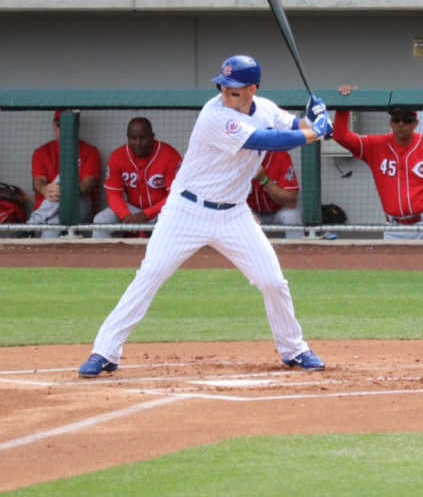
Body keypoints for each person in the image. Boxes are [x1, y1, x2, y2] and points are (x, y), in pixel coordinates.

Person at [77, 54, 331, 377]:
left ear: (253, 89)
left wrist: (315, 119)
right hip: (186, 210)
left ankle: (294, 349)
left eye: (235, 90)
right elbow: (266, 140)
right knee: (151, 273)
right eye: (223, 87)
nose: (226, 95)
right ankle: (105, 351)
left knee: (272, 281)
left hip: (234, 215)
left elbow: (293, 126)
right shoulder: (215, 115)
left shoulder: (265, 107)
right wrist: (316, 132)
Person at [332, 92, 423, 238]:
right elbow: (341, 136)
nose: (401, 124)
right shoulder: (375, 146)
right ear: (390, 123)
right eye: (396, 119)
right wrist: (344, 104)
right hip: (394, 227)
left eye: (407, 120)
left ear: (415, 123)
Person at [91, 116, 183, 237]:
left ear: (152, 136)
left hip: (162, 211)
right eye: (133, 138)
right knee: (101, 220)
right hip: (132, 211)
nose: (138, 143)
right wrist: (126, 215)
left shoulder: (170, 155)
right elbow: (114, 195)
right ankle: (104, 255)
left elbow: (175, 197)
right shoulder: (118, 157)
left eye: (142, 138)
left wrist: (145, 215)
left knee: (175, 219)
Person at [27, 110, 103, 231]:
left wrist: (65, 190)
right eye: (59, 124)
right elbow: (38, 181)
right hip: (50, 212)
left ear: (76, 126)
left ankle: (32, 224)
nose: (63, 128)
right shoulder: (42, 152)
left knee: (65, 177)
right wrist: (44, 189)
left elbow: (88, 184)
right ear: (54, 125)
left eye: (68, 125)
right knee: (53, 223)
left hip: (79, 205)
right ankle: (35, 226)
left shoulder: (90, 151)